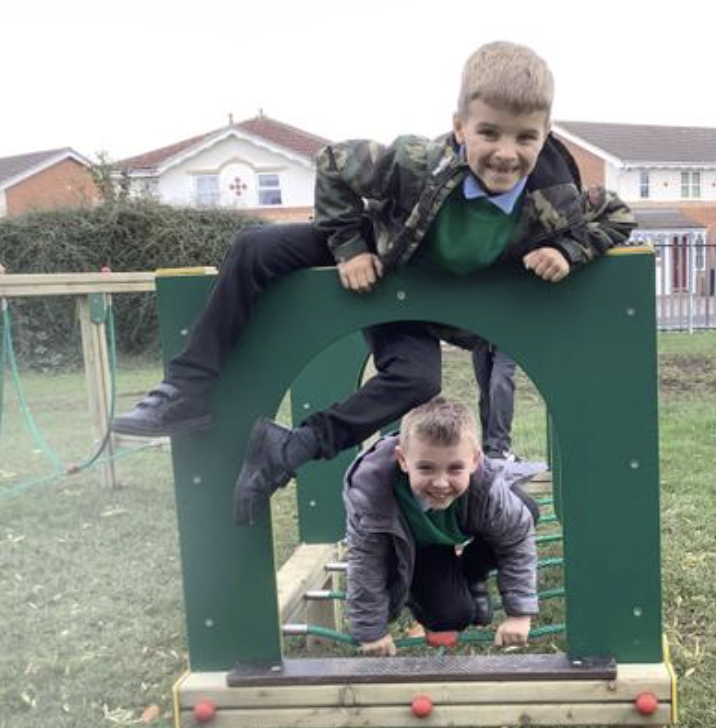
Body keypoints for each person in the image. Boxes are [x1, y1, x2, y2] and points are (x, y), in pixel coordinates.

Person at [112, 41, 636, 526]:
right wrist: (349, 246)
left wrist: (567, 250)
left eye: (526, 137)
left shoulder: (555, 198)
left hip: (426, 300)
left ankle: (291, 448)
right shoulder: (416, 165)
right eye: (489, 133)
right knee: (255, 247)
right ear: (460, 128)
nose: (506, 153)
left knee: (416, 379)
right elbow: (335, 162)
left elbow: (616, 216)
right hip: (386, 253)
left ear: (546, 134)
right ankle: (186, 389)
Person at [343, 397, 542, 656]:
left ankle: (471, 571)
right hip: (415, 549)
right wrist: (371, 630)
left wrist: (519, 614)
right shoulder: (373, 493)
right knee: (452, 615)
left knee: (525, 510)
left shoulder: (484, 486)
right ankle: (423, 587)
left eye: (455, 468)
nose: (440, 482)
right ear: (403, 460)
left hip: (462, 524)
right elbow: (366, 561)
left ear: (474, 461)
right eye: (425, 468)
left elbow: (516, 539)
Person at [470, 341, 518, 460]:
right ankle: (488, 449)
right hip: (479, 338)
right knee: (486, 394)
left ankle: (499, 448)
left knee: (500, 384)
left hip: (508, 335)